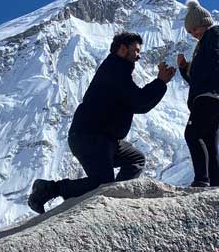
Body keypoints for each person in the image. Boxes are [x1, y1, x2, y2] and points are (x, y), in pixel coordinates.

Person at [28, 32, 176, 213]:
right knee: (101, 183)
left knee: (135, 159)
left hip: (106, 139)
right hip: (90, 136)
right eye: (136, 50)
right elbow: (139, 102)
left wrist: (160, 84)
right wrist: (160, 82)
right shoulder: (114, 71)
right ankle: (50, 189)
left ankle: (118, 196)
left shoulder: (118, 70)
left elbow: (136, 101)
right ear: (123, 49)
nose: (138, 56)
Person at [176, 0, 219, 187]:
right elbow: (199, 77)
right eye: (190, 32)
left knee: (192, 134)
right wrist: (185, 69)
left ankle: (201, 180)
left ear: (205, 22)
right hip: (216, 96)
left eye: (195, 29)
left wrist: (191, 68)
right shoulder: (206, 40)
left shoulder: (215, 34)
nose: (194, 34)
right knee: (210, 145)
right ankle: (215, 187)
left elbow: (213, 61)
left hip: (210, 96)